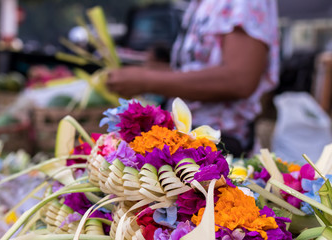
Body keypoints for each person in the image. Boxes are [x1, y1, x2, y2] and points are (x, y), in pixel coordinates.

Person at [107, 0, 279, 157]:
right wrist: (153, 72)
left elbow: (240, 80)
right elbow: (196, 69)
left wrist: (146, 80)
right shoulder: (199, 4)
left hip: (218, 149)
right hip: (188, 140)